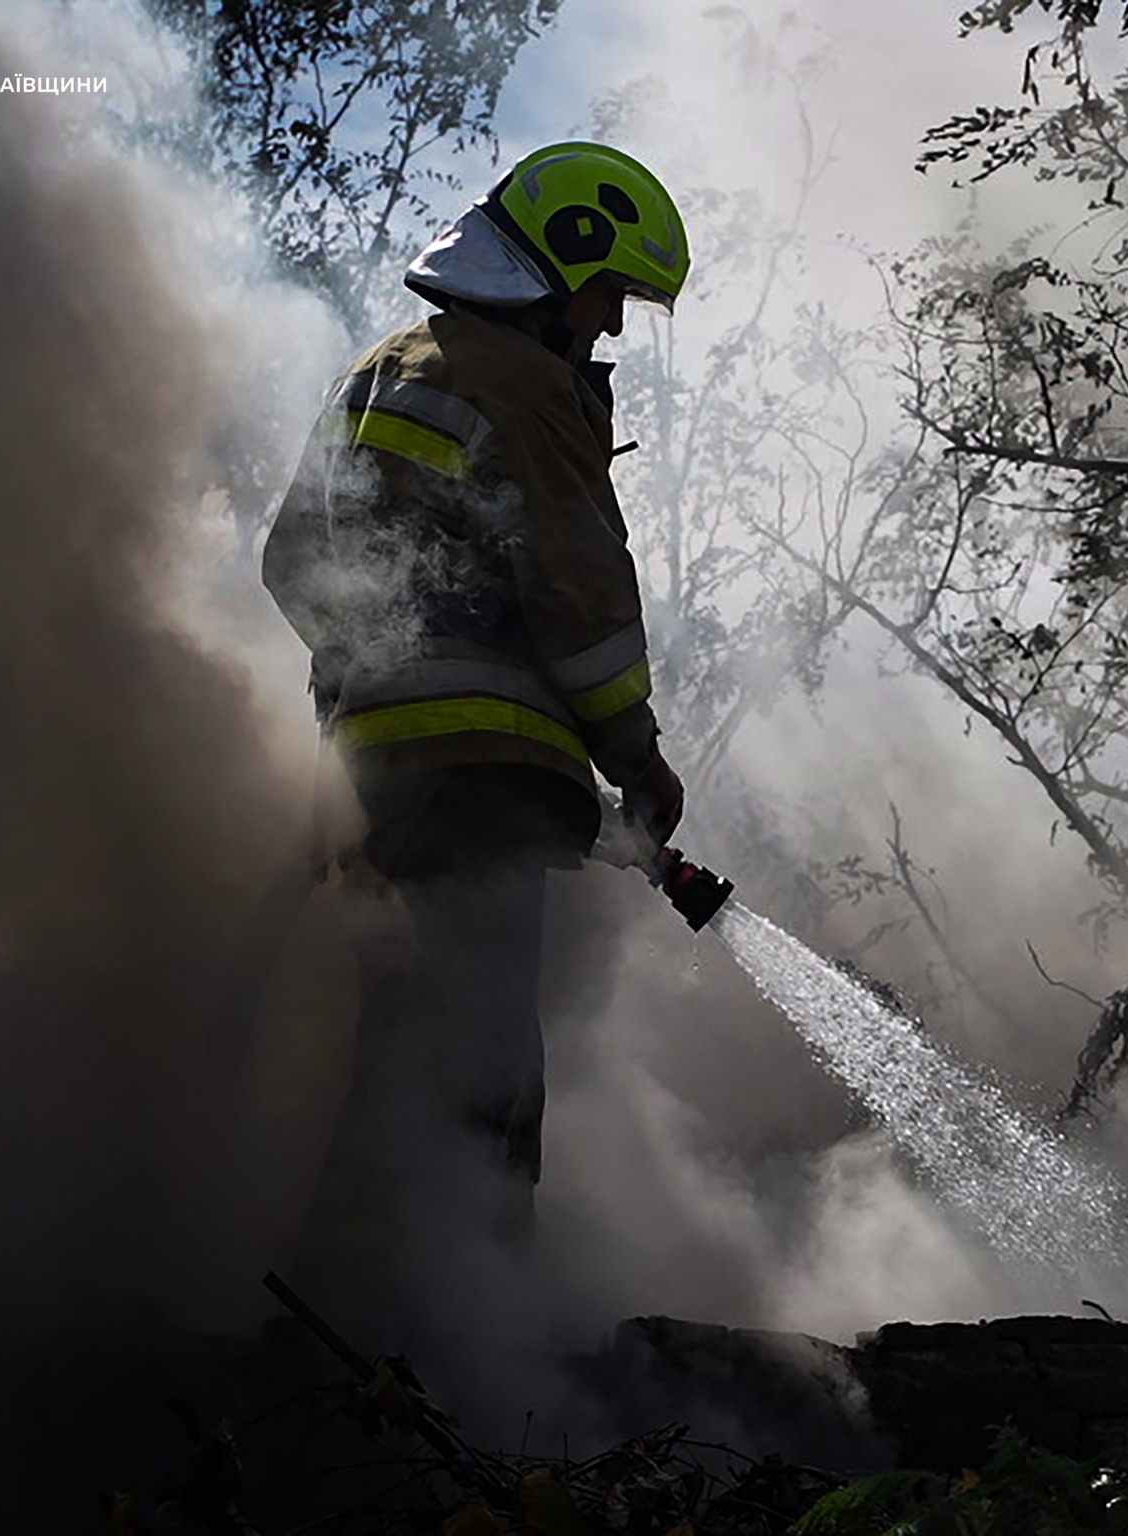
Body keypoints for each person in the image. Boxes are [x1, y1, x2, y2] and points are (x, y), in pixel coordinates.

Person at [260, 142, 689, 1317]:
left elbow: (289, 561)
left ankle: (345, 1329)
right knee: (478, 1064)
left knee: (412, 1033)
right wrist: (636, 759)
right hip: (484, 778)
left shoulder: (380, 368)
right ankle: (449, 1340)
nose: (607, 330)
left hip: (369, 782)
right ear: (569, 261)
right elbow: (579, 595)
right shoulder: (522, 380)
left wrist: (387, 677)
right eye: (611, 299)